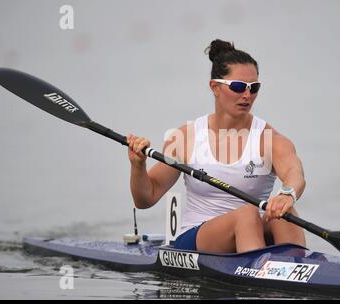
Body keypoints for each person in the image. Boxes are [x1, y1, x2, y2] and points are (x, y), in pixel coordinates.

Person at [127, 39, 306, 253]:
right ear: (215, 87)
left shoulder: (271, 139)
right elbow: (146, 198)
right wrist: (138, 166)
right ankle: (257, 280)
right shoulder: (186, 136)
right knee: (247, 214)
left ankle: (298, 269)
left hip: (253, 232)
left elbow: (295, 173)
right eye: (238, 87)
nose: (247, 95)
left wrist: (287, 194)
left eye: (254, 88)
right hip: (197, 237)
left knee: (286, 215)